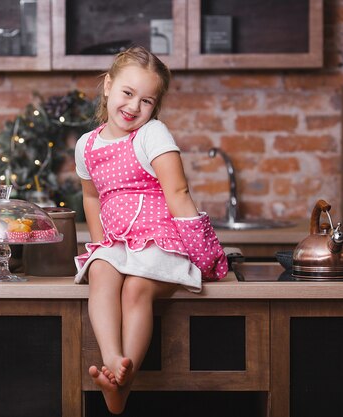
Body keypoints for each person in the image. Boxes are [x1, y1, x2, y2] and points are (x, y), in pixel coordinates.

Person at [73, 46, 228, 414]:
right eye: (127, 93)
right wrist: (99, 245)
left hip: (161, 240)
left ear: (155, 107)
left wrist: (203, 253)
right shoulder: (87, 145)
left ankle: (120, 384)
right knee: (100, 271)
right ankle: (114, 363)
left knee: (136, 287)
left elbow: (177, 192)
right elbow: (92, 198)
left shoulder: (152, 134)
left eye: (146, 100)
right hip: (118, 243)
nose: (133, 107)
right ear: (108, 86)